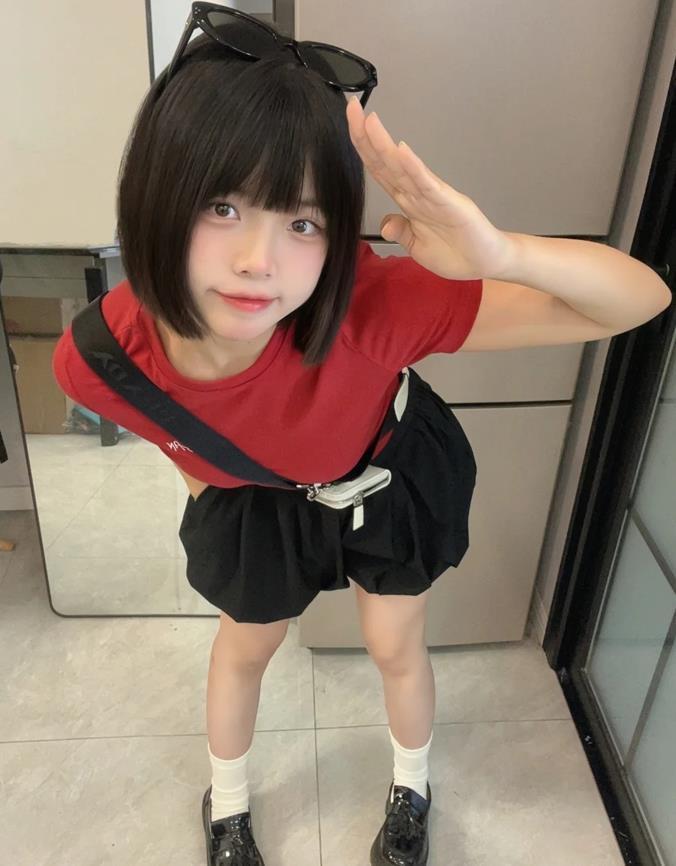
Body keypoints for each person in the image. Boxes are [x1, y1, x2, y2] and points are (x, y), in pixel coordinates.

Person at [52, 7, 487, 865]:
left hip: (385, 471)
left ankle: (412, 787)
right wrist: (204, 473)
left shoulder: (369, 304)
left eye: (302, 221)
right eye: (222, 206)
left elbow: (633, 299)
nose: (257, 258)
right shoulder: (104, 351)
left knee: (395, 644)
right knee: (246, 646)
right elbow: (154, 420)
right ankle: (227, 806)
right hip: (260, 500)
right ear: (160, 195)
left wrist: (497, 252)